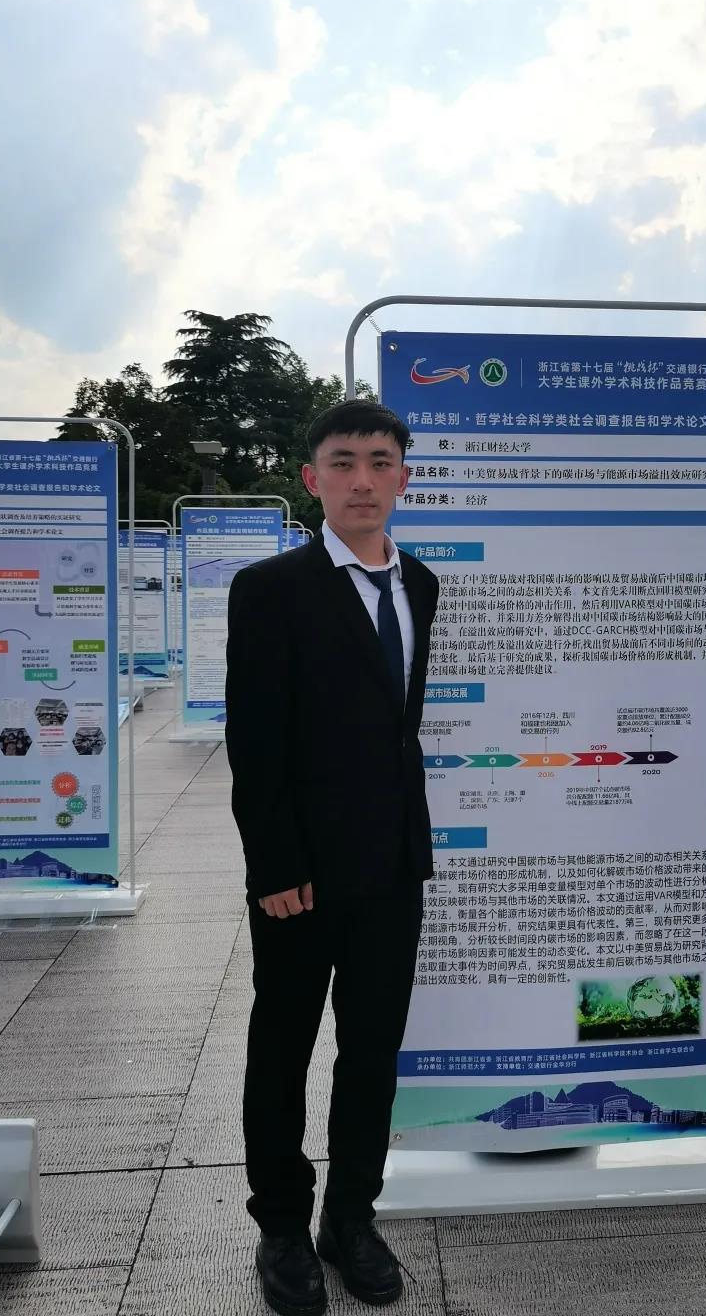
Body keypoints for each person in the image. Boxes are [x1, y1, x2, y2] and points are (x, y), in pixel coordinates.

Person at [225, 400, 439, 1314]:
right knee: (282, 1048)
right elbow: (255, 741)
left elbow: (397, 732)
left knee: (372, 1052)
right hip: (301, 878)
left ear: (403, 478)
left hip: (391, 868)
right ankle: (281, 1226)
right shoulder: (270, 588)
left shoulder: (420, 583)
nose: (363, 479)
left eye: (380, 461)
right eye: (343, 462)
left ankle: (351, 1217)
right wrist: (274, 868)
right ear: (313, 479)